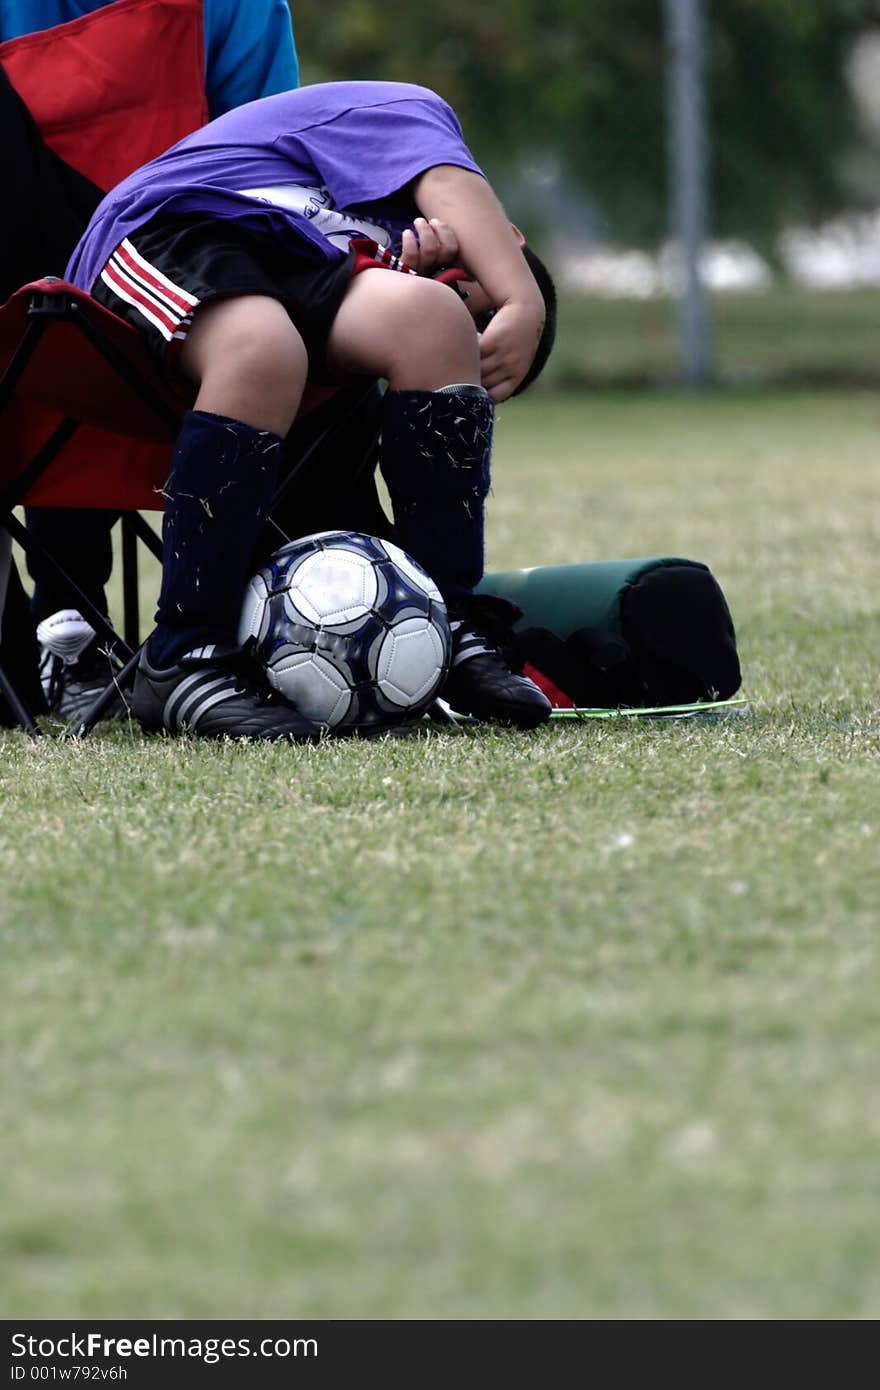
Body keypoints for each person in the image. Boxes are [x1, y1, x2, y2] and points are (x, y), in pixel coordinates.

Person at [65, 80, 558, 739]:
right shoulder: (410, 111)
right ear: (504, 236)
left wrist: (435, 298)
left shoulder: (375, 256)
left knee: (432, 322)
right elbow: (447, 179)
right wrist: (522, 299)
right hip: (180, 227)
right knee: (261, 348)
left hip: (306, 270)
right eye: (480, 292)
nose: (461, 287)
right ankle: (186, 654)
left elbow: (394, 321)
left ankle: (451, 618)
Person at [0, 0, 303, 722]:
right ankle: (49, 639)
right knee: (57, 314)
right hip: (32, 316)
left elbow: (265, 163)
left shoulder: (237, 7)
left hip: (184, 295)